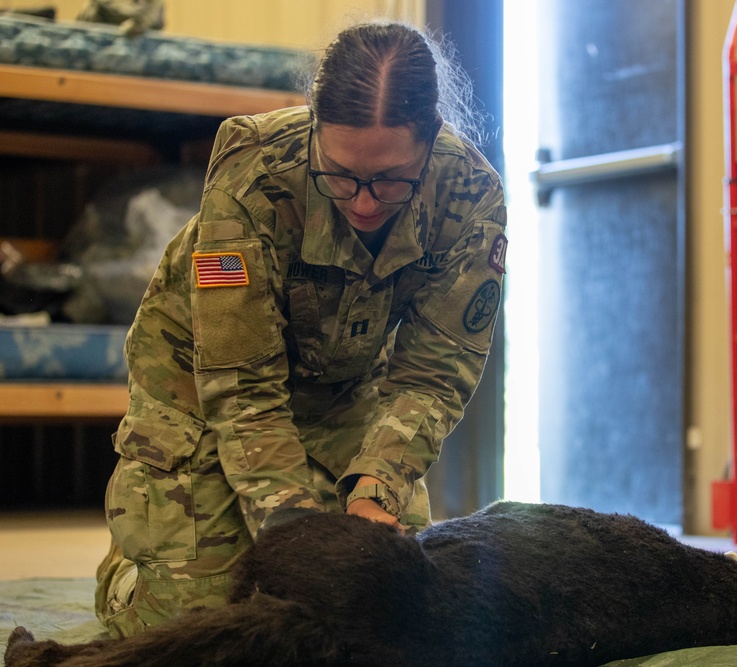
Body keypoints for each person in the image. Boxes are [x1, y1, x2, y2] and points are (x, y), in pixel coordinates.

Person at [94, 20, 507, 638]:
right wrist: (293, 522)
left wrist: (375, 488)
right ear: (315, 129)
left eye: (391, 180)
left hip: (343, 389)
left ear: (430, 144)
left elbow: (432, 374)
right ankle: (131, 570)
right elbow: (242, 387)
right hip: (202, 387)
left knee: (392, 610)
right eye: (339, 174)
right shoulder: (251, 172)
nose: (363, 202)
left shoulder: (470, 196)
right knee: (201, 629)